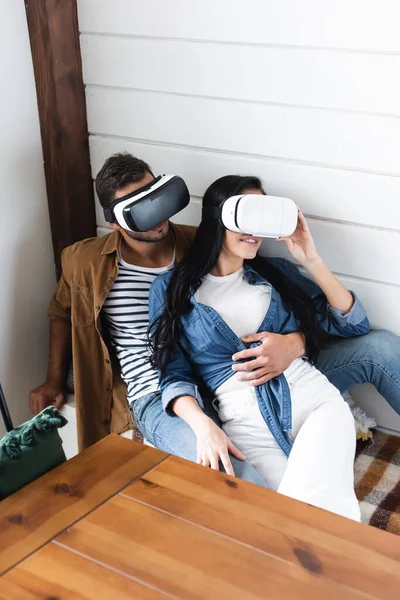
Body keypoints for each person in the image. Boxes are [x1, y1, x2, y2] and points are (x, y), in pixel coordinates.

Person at [29, 153, 400, 488]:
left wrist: (296, 343)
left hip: (271, 375)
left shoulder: (209, 245)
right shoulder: (85, 262)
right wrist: (52, 378)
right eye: (139, 209)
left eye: (155, 198)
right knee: (233, 473)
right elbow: (61, 310)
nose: (157, 215)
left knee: (380, 348)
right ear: (114, 222)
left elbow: (343, 321)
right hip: (163, 392)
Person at [149, 175, 400, 520]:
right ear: (217, 216)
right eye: (245, 215)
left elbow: (350, 322)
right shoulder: (171, 289)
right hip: (245, 422)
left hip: (313, 400)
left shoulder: (275, 274)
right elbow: (172, 373)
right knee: (288, 521)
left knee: (328, 515)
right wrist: (204, 426)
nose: (254, 231)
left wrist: (310, 259)